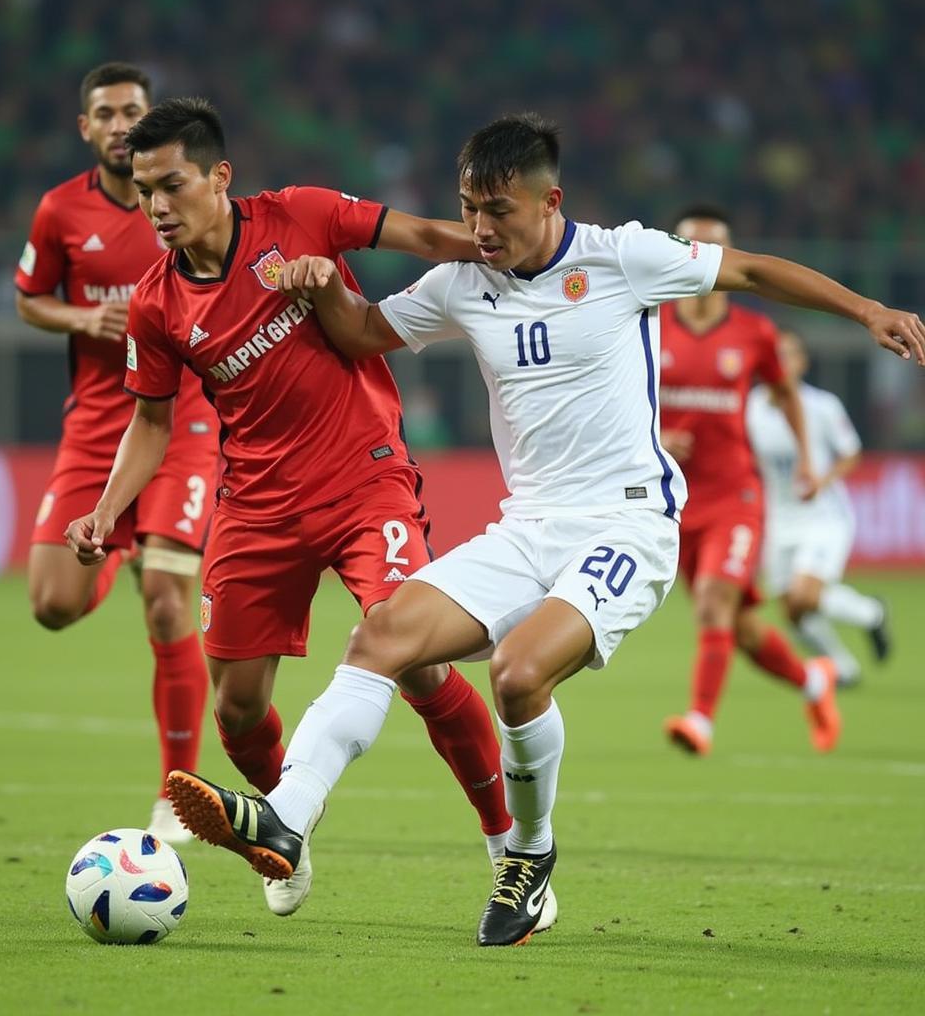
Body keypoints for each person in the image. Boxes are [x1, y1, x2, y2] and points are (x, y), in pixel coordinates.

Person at [162, 112, 925, 947]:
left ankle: (528, 854)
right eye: (468, 208)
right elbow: (361, 333)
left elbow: (748, 270)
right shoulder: (463, 281)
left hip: (629, 523)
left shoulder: (620, 256)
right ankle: (286, 821)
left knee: (518, 675)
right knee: (381, 638)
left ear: (548, 201)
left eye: (498, 212)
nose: (480, 230)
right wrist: (322, 288)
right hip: (526, 525)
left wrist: (865, 309)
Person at [63, 96, 546, 925]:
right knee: (238, 710)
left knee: (420, 661)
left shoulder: (303, 216)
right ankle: (287, 824)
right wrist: (109, 511)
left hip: (366, 480)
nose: (158, 207)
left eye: (172, 184)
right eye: (145, 191)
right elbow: (152, 421)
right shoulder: (156, 302)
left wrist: (521, 245)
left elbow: (430, 238)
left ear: (220, 177)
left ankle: (511, 849)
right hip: (255, 507)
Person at [15, 63, 217, 844]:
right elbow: (29, 296)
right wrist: (77, 320)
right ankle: (117, 542)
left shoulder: (182, 205)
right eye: (106, 112)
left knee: (167, 601)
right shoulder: (60, 210)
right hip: (96, 429)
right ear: (86, 127)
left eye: (134, 109)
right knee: (53, 606)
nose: (120, 121)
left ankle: (177, 793)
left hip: (183, 426)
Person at [659, 205, 858, 756]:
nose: (697, 261)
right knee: (740, 628)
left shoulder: (754, 332)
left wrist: (807, 459)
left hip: (735, 497)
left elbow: (787, 393)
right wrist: (653, 437)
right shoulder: (648, 324)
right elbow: (623, 401)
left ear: (728, 257)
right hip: (675, 502)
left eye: (710, 250)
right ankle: (814, 681)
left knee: (713, 605)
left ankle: (700, 719)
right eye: (686, 248)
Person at [747, 330, 890, 685]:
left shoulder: (822, 406)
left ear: (802, 363)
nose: (781, 361)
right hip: (779, 518)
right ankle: (843, 666)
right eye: (774, 355)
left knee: (805, 595)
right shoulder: (751, 408)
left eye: (789, 354)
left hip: (822, 516)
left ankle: (871, 612)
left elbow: (851, 453)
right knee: (792, 611)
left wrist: (820, 481)